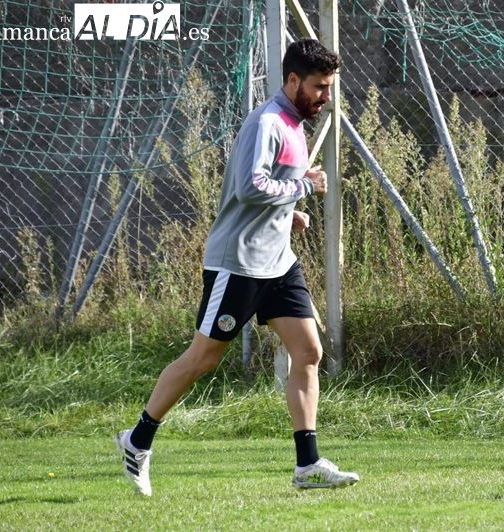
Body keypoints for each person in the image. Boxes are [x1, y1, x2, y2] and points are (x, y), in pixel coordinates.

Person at [114, 39, 359, 496]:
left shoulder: (294, 124)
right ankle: (137, 440)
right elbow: (251, 187)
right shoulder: (267, 122)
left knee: (308, 352)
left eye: (329, 87)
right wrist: (304, 188)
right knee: (203, 358)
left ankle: (307, 465)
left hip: (278, 262)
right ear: (292, 80)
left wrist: (290, 213)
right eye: (319, 87)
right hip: (239, 264)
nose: (326, 97)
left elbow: (273, 189)